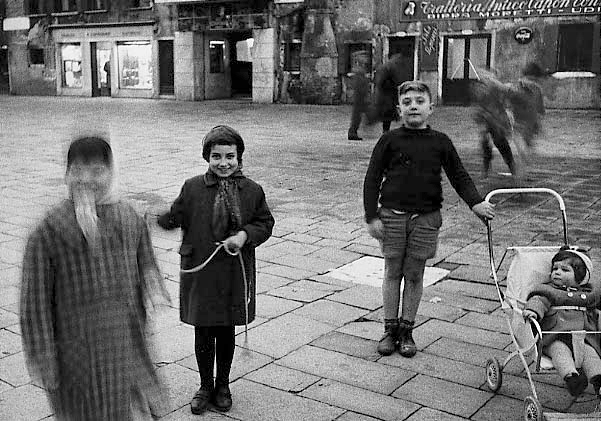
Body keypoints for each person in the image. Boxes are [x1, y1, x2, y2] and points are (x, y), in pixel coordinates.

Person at [20, 136, 170, 421]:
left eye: (97, 171)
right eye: (77, 171)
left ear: (111, 173)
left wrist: (152, 285)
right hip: (76, 349)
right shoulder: (47, 233)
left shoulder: (129, 218)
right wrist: (43, 356)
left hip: (126, 340)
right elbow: (34, 305)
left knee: (132, 406)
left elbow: (145, 256)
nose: (86, 179)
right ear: (66, 175)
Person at [363, 81, 495, 357]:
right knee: (392, 271)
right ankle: (390, 328)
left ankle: (407, 329)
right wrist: (371, 216)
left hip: (426, 218)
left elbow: (458, 174)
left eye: (420, 101)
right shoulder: (389, 140)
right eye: (407, 101)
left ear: (431, 108)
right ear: (399, 109)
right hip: (393, 217)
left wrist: (476, 203)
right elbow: (372, 178)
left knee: (414, 274)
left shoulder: (441, 142)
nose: (413, 105)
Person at [156, 125, 274, 414]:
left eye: (230, 156)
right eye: (216, 156)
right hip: (202, 271)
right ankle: (205, 385)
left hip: (234, 272)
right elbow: (177, 214)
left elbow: (265, 222)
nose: (223, 163)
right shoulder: (193, 187)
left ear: (239, 157)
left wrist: (244, 235)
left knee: (226, 328)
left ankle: (223, 384)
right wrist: (161, 218)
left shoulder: (252, 191)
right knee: (203, 329)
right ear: (206, 157)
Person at [523, 247, 601, 398]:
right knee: (560, 352)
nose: (557, 272)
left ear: (580, 276)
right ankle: (571, 378)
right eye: (555, 269)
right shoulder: (549, 291)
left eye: (565, 270)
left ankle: (598, 379)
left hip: (583, 337)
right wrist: (533, 310)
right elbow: (538, 300)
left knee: (591, 355)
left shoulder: (588, 294)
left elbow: (597, 302)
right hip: (555, 335)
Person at [471, 68, 517, 178]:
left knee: (500, 142)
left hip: (496, 119)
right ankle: (487, 168)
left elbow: (508, 92)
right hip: (486, 118)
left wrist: (508, 108)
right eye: (480, 74)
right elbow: (477, 104)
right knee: (485, 143)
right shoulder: (478, 87)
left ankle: (512, 167)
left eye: (484, 73)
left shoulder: (495, 85)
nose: (482, 76)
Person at [507, 62, 546, 150]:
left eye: (534, 80)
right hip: (519, 122)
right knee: (521, 141)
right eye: (531, 79)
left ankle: (526, 152)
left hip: (528, 122)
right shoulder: (514, 88)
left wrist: (538, 122)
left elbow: (540, 109)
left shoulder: (537, 89)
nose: (532, 82)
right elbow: (507, 105)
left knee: (527, 142)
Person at [369, 54, 411, 134]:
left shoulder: (387, 67)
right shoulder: (388, 68)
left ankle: (385, 130)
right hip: (386, 96)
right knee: (387, 115)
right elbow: (382, 82)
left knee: (387, 115)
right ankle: (384, 131)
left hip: (386, 96)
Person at [347, 59, 371, 141]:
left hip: (360, 98)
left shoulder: (360, 74)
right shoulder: (359, 75)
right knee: (357, 116)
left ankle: (354, 131)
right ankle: (353, 132)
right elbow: (360, 88)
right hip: (359, 98)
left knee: (358, 116)